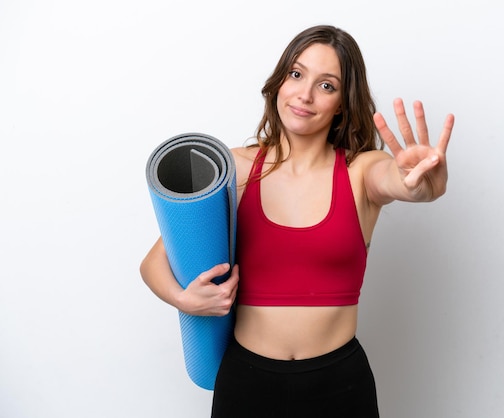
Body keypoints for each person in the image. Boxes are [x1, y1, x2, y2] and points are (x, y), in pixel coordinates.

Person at [140, 24, 454, 418]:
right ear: (279, 82)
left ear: (342, 102)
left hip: (340, 386)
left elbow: (402, 183)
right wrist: (186, 300)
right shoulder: (234, 170)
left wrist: (425, 183)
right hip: (245, 383)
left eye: (327, 85)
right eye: (296, 74)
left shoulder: (360, 170)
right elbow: (155, 262)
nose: (304, 94)